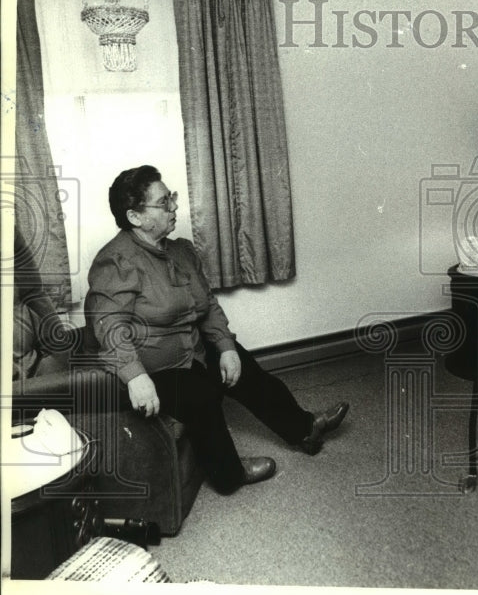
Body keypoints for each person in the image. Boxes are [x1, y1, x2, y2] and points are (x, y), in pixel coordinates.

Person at [85, 165, 349, 494]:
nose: (174, 207)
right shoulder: (115, 261)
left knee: (244, 367)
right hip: (153, 370)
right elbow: (107, 326)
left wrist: (225, 346)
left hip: (189, 350)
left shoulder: (180, 251)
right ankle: (229, 476)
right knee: (200, 397)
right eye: (164, 202)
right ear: (135, 217)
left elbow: (206, 304)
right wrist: (135, 376)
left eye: (172, 198)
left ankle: (306, 428)